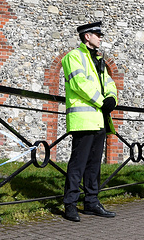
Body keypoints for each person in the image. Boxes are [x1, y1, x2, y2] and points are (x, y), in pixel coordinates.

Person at [61, 21, 119, 222]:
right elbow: (79, 84)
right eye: (97, 34)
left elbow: (109, 83)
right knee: (78, 164)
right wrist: (102, 101)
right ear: (87, 36)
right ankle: (70, 204)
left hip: (100, 119)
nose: (100, 37)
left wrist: (112, 98)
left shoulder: (99, 60)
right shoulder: (73, 57)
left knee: (94, 164)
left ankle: (91, 202)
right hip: (84, 119)